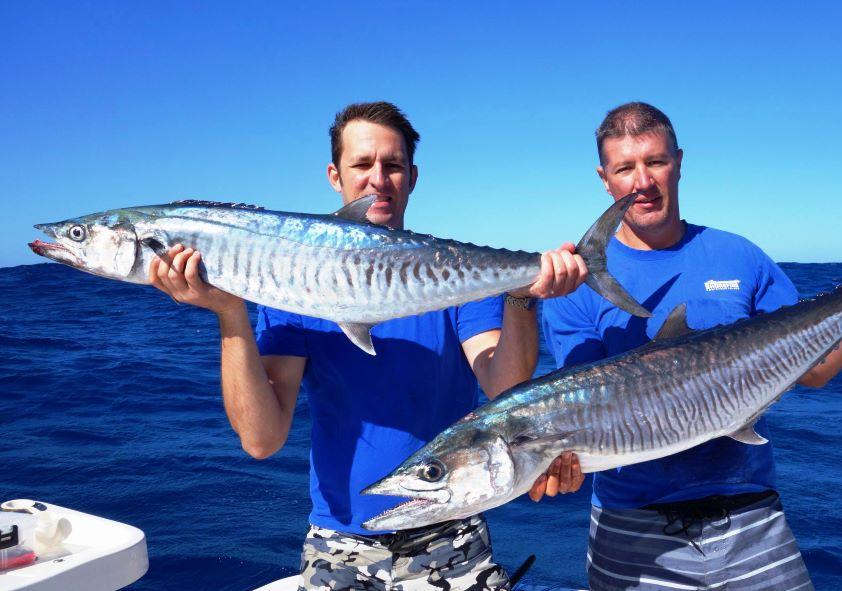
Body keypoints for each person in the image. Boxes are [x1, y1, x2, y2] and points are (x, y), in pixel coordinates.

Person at [148, 101, 584, 590]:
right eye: (362, 164)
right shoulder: (291, 287)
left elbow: (504, 386)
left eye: (392, 165)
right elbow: (261, 440)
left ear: (412, 177)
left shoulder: (457, 274)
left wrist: (523, 298)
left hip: (452, 535)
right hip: (339, 544)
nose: (378, 179)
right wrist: (230, 313)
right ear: (335, 176)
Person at [541, 102, 842, 591]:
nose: (643, 182)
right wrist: (555, 464)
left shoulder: (739, 256)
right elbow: (577, 415)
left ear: (678, 162)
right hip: (630, 532)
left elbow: (817, 370)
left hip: (752, 521)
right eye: (624, 168)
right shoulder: (577, 286)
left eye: (656, 162)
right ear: (604, 178)